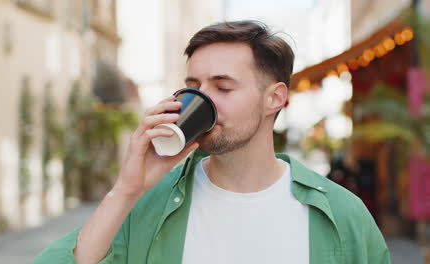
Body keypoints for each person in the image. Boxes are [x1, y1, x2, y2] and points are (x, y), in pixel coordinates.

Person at [34, 20, 390, 264]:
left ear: (274, 98)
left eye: (222, 87)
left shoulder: (343, 215)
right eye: (193, 86)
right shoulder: (147, 205)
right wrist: (126, 191)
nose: (202, 100)